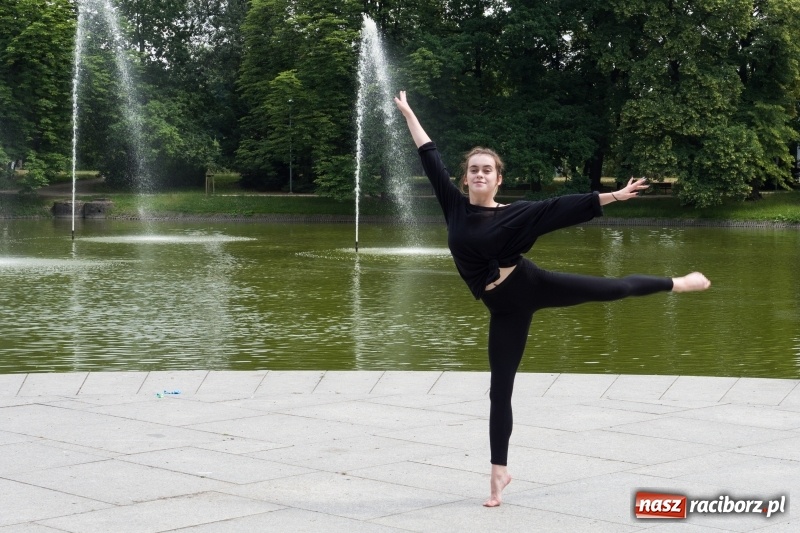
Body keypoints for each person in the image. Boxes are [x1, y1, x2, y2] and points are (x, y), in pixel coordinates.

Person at [393, 91, 711, 507]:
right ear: (464, 177)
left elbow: (559, 208)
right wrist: (408, 112)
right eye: (473, 170)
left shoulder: (515, 213)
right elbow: (427, 153)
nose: (480, 175)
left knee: (612, 289)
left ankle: (678, 283)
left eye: (488, 170)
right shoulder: (453, 207)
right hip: (503, 309)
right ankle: (498, 472)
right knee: (499, 390)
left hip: (530, 284)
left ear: (498, 178)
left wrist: (612, 196)